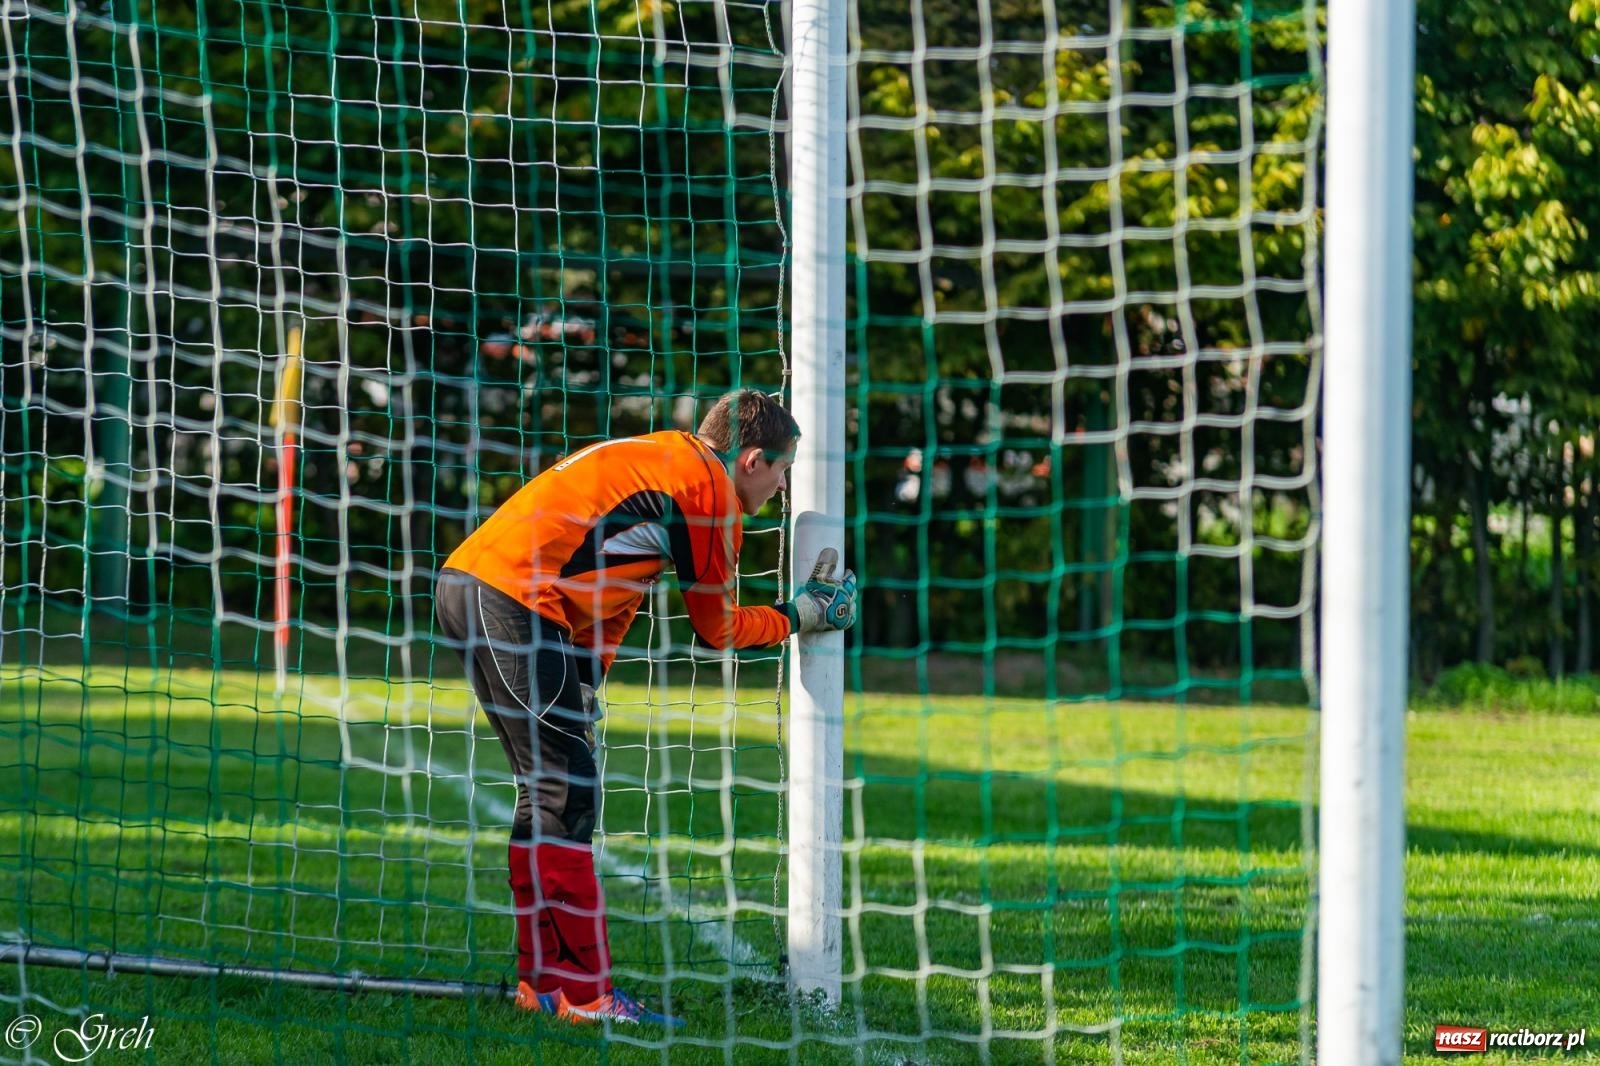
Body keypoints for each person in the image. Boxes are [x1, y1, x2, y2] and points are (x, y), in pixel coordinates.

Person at [433, 389, 857, 1026]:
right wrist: (801, 615)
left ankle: (542, 984)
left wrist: (586, 681)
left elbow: (614, 584)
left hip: (473, 585)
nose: (781, 486)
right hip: (515, 601)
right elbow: (716, 629)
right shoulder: (708, 495)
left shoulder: (666, 459)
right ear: (751, 461)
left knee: (545, 790)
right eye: (782, 469)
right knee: (565, 793)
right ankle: (585, 994)